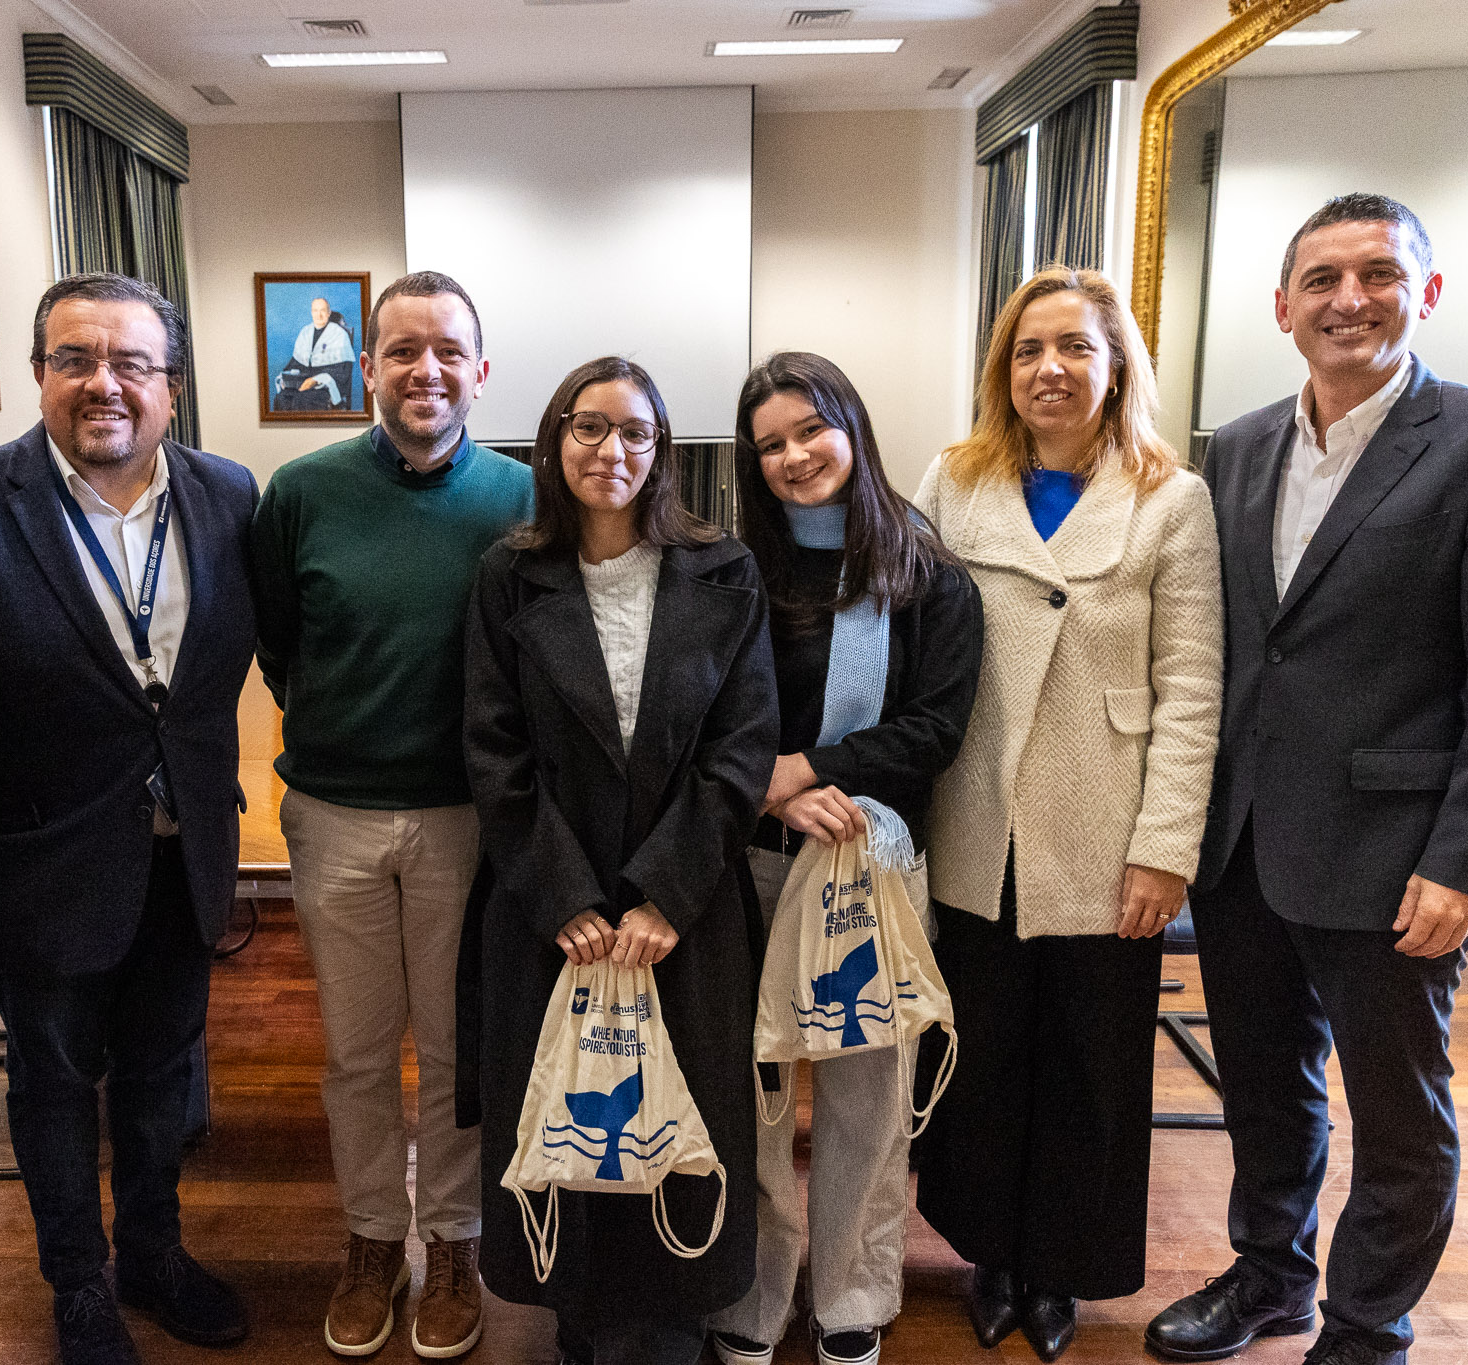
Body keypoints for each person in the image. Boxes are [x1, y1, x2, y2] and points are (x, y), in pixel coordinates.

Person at [1145, 194, 1468, 1365]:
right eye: (1322, 279)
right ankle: (1269, 1276)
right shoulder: (1233, 448)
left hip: (1396, 859)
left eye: (1377, 274)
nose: (1349, 299)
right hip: (1240, 846)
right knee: (1264, 1088)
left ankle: (1364, 1325)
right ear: (1281, 307)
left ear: (1423, 295)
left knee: (1396, 1116)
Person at [0, 272, 257, 1365]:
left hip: (183, 851)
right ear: (38, 374)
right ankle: (78, 1284)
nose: (103, 384)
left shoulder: (227, 495)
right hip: (38, 856)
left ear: (171, 385)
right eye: (76, 360)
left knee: (164, 1074)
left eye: (131, 364)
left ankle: (153, 1254)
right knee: (52, 1081)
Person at [912, 266, 1224, 1362]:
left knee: (1090, 1065)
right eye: (1028, 350)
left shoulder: (1167, 498)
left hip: (1105, 833)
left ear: (1112, 365)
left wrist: (1162, 851)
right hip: (970, 823)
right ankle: (987, 1253)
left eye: (1074, 348)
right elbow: (902, 648)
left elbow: (1192, 689)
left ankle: (1060, 1270)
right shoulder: (952, 483)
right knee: (978, 1055)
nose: (1049, 369)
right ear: (1003, 369)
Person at [461, 355, 778, 1365]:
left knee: (683, 1109)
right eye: (588, 428)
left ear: (663, 449)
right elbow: (492, 748)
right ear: (553, 444)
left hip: (680, 911)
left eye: (636, 431)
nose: (613, 450)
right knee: (567, 1109)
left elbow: (743, 746)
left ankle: (675, 1322)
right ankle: (578, 1320)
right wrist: (561, 894)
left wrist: (662, 895)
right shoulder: (509, 573)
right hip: (551, 906)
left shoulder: (723, 566)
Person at [250, 270, 533, 1358]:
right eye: (401, 350)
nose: (425, 370)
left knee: (458, 1049)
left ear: (479, 370)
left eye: (447, 350)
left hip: (467, 819)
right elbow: (282, 647)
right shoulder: (302, 492)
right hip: (336, 815)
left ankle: (453, 1240)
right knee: (359, 1053)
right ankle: (372, 1238)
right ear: (365, 367)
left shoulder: (518, 499)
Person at [708, 352, 983, 1365]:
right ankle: (750, 1296)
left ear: (850, 429)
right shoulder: (729, 572)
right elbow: (702, 719)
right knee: (753, 1096)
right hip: (749, 870)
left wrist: (800, 766)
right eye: (769, 444)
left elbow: (933, 731)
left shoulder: (925, 572)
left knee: (868, 1103)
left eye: (808, 431)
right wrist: (766, 783)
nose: (792, 456)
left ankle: (852, 1301)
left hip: (871, 871)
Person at [275, 294, 357, 411]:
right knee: (282, 397)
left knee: (303, 399)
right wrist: (285, 378)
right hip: (302, 383)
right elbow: (295, 362)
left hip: (325, 386)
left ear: (328, 313)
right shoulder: (305, 332)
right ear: (311, 312)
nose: (319, 315)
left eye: (323, 310)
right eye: (315, 310)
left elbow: (343, 371)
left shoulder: (339, 334)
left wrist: (315, 380)